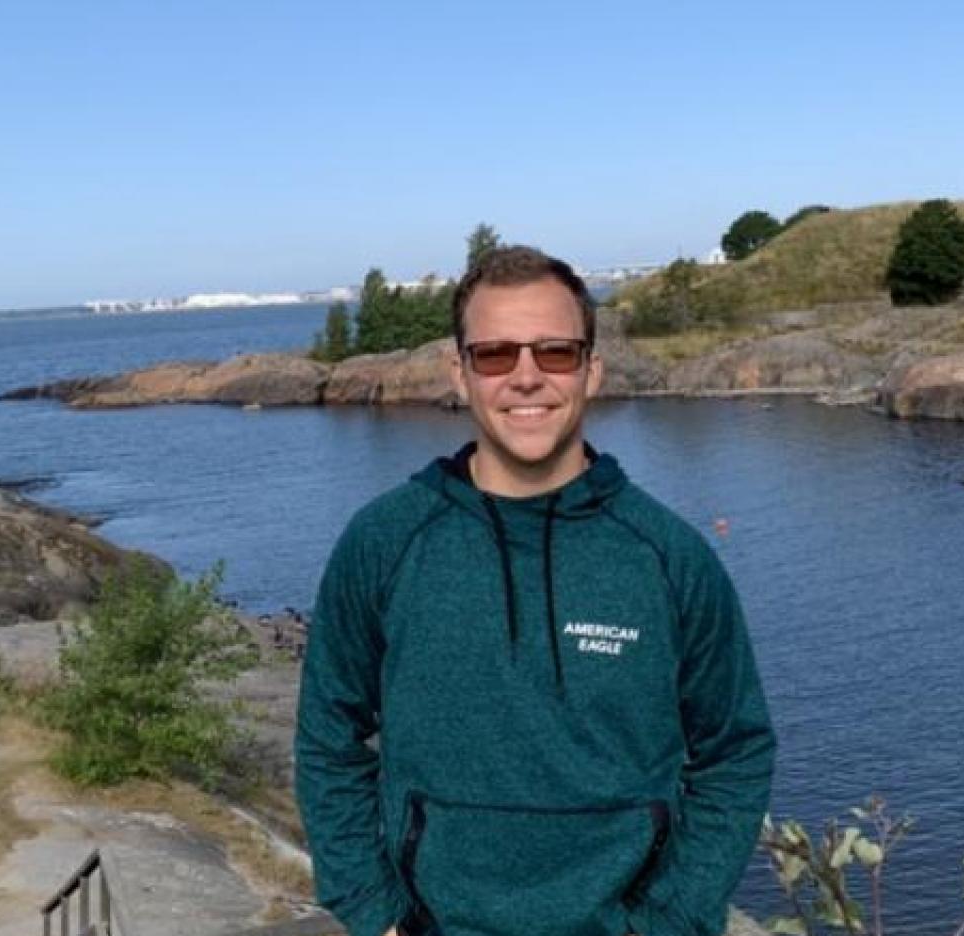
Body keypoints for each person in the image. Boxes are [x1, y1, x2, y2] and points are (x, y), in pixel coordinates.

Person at [294, 246, 775, 936]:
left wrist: (672, 919)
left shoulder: (668, 557)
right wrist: (376, 912)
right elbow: (327, 738)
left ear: (591, 370)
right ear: (459, 373)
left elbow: (735, 751)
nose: (526, 377)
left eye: (555, 352)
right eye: (495, 355)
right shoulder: (385, 542)